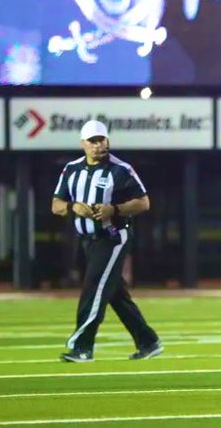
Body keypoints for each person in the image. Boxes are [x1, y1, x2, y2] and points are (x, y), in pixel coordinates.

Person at [51, 120, 162, 363]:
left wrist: (115, 209)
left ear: (108, 141)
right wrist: (73, 207)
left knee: (94, 288)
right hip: (86, 240)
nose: (98, 145)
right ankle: (148, 340)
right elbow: (56, 205)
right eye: (92, 141)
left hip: (112, 237)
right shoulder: (71, 169)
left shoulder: (121, 169)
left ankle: (82, 346)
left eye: (102, 140)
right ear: (83, 144)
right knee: (114, 293)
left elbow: (143, 202)